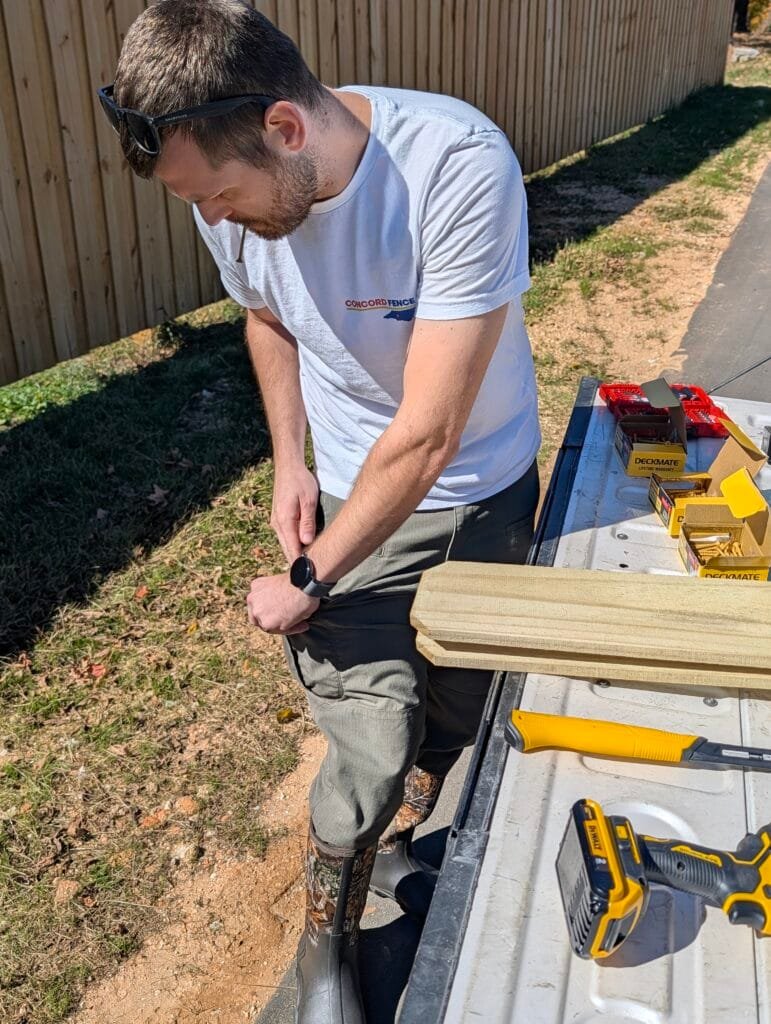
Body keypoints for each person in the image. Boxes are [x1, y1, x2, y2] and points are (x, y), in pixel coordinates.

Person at [100, 2, 541, 1021]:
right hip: (347, 500)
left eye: (218, 195)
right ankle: (326, 949)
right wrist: (291, 461)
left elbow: (430, 436)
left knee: (463, 707)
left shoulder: (454, 168)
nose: (211, 220)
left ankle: (415, 820)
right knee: (369, 733)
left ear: (286, 131)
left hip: (480, 488)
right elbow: (267, 317)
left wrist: (305, 577)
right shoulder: (244, 200)